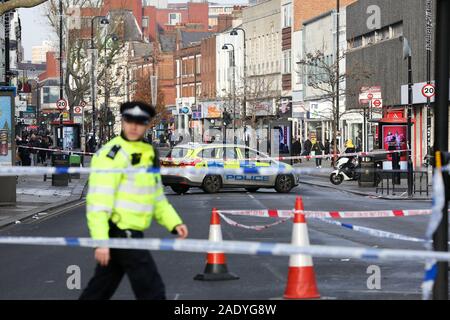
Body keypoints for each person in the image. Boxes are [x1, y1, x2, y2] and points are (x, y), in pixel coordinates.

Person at [79, 101, 189, 300]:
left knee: (99, 290)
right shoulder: (111, 155)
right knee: (152, 290)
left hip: (130, 232)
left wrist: (174, 223)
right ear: (122, 121)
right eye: (129, 120)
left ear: (147, 125)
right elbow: (98, 202)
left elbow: (155, 195)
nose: (134, 126)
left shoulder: (149, 153)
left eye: (140, 122)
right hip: (121, 230)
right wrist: (101, 242)